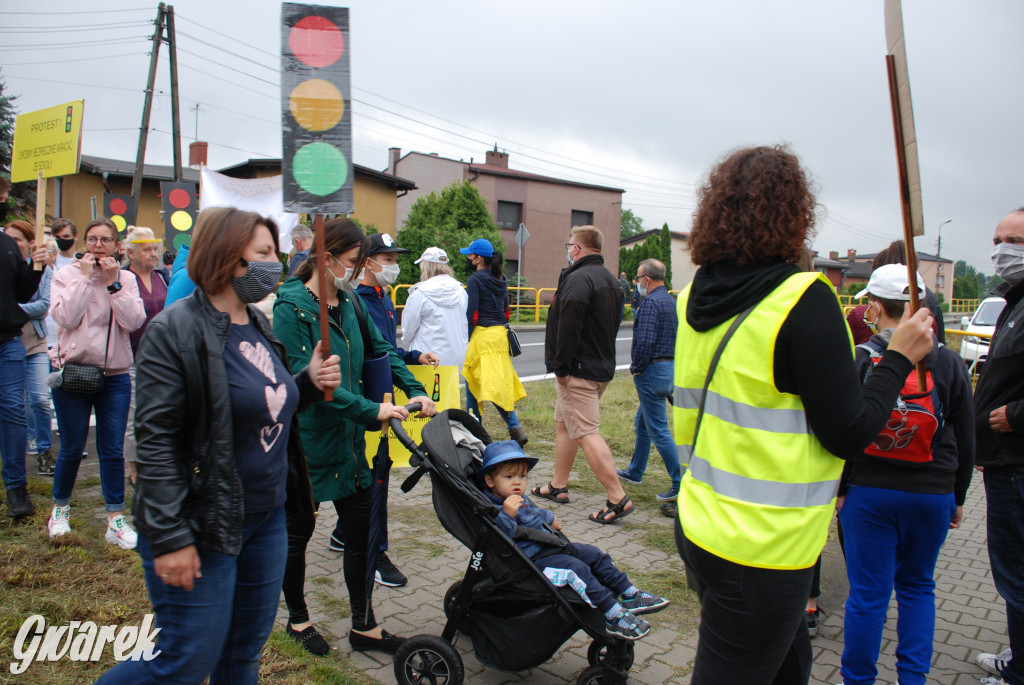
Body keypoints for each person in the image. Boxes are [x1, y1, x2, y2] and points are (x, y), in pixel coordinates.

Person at [670, 145, 934, 685]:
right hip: (765, 551)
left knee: (789, 666)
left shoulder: (693, 296)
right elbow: (850, 432)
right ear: (794, 214)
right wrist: (898, 357)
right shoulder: (802, 299)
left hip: (702, 522)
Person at [95, 206, 341, 684]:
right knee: (185, 661)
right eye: (265, 253)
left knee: (241, 656)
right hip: (203, 523)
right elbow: (156, 443)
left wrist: (306, 384)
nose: (278, 263)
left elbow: (261, 406)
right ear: (229, 258)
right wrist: (169, 537)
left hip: (267, 521)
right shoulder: (176, 330)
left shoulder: (257, 323)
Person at [273, 217, 437, 656]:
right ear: (324, 260)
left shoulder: (349, 302)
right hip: (306, 442)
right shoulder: (291, 308)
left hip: (348, 444)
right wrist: (372, 411)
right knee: (298, 533)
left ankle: (364, 625)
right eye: (350, 262)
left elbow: (381, 350)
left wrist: (415, 388)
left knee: (362, 532)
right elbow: (313, 387)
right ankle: (297, 619)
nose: (355, 271)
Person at [837, 264, 974, 685]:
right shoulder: (948, 362)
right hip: (932, 493)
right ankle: (912, 678)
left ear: (875, 308)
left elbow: (843, 430)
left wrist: (840, 491)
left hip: (869, 492)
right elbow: (966, 435)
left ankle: (856, 679)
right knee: (917, 587)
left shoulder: (861, 358)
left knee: (868, 595)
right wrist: (959, 496)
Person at [479, 440, 669, 640]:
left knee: (594, 554)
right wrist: (507, 515)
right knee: (575, 569)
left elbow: (535, 512)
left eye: (522, 476)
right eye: (509, 477)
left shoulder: (517, 496)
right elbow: (498, 540)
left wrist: (550, 518)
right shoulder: (494, 507)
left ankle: (630, 594)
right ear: (490, 481)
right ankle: (612, 614)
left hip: (550, 546)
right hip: (530, 562)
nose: (517, 482)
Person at [333, 231, 438, 586]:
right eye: (389, 260)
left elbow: (386, 347)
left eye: (395, 260)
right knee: (372, 472)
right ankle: (373, 550)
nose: (393, 266)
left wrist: (413, 360)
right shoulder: (354, 297)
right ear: (367, 262)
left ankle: (342, 531)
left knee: (365, 471)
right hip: (364, 401)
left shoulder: (383, 298)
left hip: (384, 395)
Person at [47, 218, 147, 547]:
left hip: (114, 374)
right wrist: (86, 280)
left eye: (106, 240)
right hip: (74, 373)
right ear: (83, 243)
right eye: (92, 239)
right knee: (72, 448)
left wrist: (112, 283)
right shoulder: (65, 276)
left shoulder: (126, 278)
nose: (98, 246)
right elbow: (64, 318)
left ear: (118, 246)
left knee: (112, 450)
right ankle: (59, 511)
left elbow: (134, 321)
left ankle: (115, 520)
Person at [537, 226, 628, 524]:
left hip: (577, 371)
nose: (568, 249)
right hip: (600, 368)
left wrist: (561, 369)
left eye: (569, 245)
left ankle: (617, 498)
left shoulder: (577, 279)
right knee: (565, 423)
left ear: (577, 249)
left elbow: (569, 328)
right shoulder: (612, 281)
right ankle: (558, 486)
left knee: (586, 431)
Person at [972, 208, 1024, 685]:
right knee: (1012, 572)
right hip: (1003, 462)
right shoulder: (1015, 302)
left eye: (1015, 240)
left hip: (1017, 461)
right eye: (998, 238)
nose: (1002, 250)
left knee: (1017, 573)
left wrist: (1016, 414)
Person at [616, 258, 680, 505]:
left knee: (658, 430)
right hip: (667, 370)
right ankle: (635, 471)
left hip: (651, 372)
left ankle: (679, 481)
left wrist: (636, 367)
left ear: (647, 279)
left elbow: (644, 341)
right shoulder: (670, 301)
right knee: (643, 424)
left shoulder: (650, 304)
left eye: (637, 278)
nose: (636, 283)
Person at [461, 237, 528, 446]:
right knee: (497, 384)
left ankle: (475, 429)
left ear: (479, 258)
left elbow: (472, 313)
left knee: (473, 379)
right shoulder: (501, 278)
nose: (469, 257)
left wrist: (468, 336)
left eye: (471, 254)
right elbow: (506, 310)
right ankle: (514, 426)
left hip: (483, 335)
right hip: (500, 336)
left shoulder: (475, 280)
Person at [0, 230, 46, 518]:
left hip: (8, 340)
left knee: (13, 409)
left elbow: (19, 292)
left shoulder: (6, 244)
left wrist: (34, 268)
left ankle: (16, 486)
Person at [5, 221, 55, 476]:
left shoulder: (41, 269)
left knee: (40, 398)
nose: (11, 244)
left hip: (34, 341)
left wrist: (9, 308)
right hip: (9, 342)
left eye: (17, 239)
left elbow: (44, 305)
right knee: (15, 404)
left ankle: (45, 451)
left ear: (28, 242)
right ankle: (17, 454)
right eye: (8, 238)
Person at [122, 226, 168, 483]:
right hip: (131, 356)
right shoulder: (123, 278)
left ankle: (157, 459)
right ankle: (134, 466)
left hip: (160, 357)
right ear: (131, 252)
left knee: (159, 411)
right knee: (133, 415)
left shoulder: (162, 276)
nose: (153, 254)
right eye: (147, 249)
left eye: (155, 249)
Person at [400, 246, 469, 373]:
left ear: (425, 266)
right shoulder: (460, 290)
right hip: (456, 357)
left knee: (426, 391)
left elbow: (408, 328)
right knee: (448, 391)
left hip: (427, 355)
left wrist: (409, 348)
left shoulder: (420, 292)